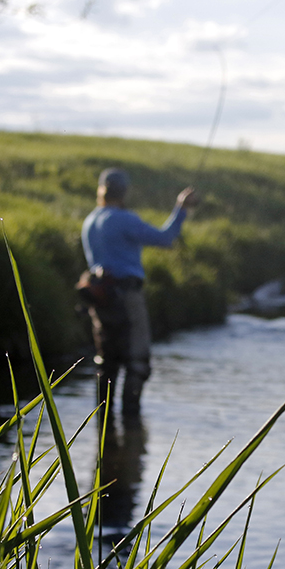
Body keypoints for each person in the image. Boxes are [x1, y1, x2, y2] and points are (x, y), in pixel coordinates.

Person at [80, 168, 198, 420]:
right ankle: (131, 424)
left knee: (106, 361)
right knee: (137, 362)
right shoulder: (124, 219)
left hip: (100, 300)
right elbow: (165, 239)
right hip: (126, 297)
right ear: (124, 193)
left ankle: (104, 427)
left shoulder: (89, 221)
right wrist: (181, 208)